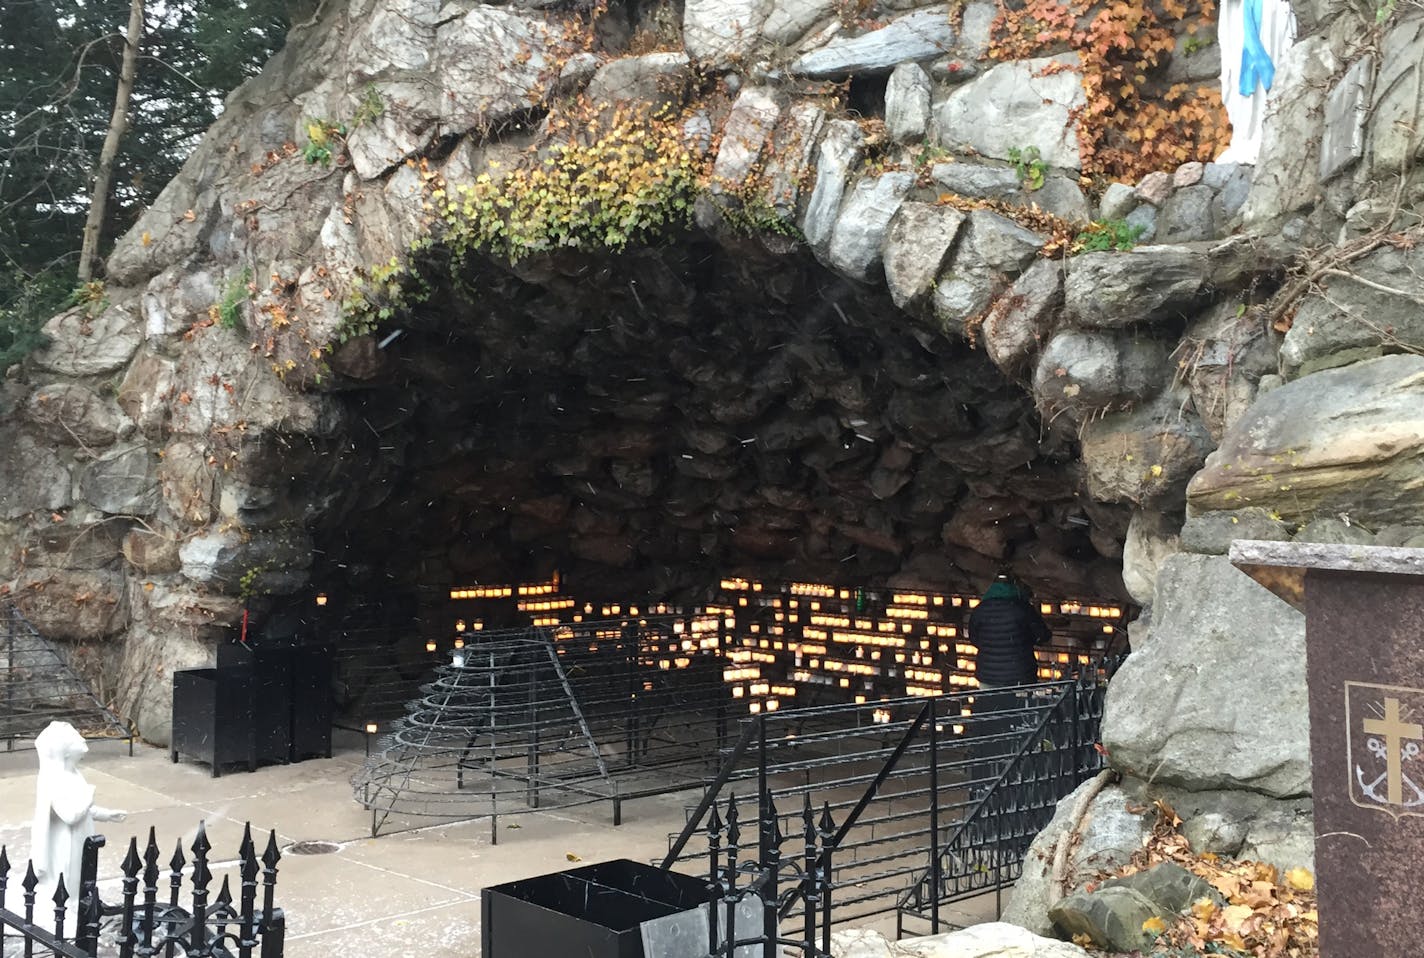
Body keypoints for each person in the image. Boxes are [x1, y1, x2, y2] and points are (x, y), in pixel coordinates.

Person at [965, 575, 1052, 815]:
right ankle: (1016, 765)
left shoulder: (981, 610)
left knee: (991, 720)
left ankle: (988, 764)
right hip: (1019, 676)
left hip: (988, 677)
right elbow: (1043, 635)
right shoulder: (1022, 609)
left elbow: (972, 638)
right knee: (1018, 722)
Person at [31, 721, 126, 908]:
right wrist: (88, 797)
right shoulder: (54, 778)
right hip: (67, 844)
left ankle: (81, 908)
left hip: (82, 838)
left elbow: (84, 811)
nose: (83, 739)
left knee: (82, 878)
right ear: (65, 750)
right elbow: (70, 815)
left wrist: (107, 815)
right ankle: (66, 914)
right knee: (69, 880)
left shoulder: (74, 774)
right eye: (76, 739)